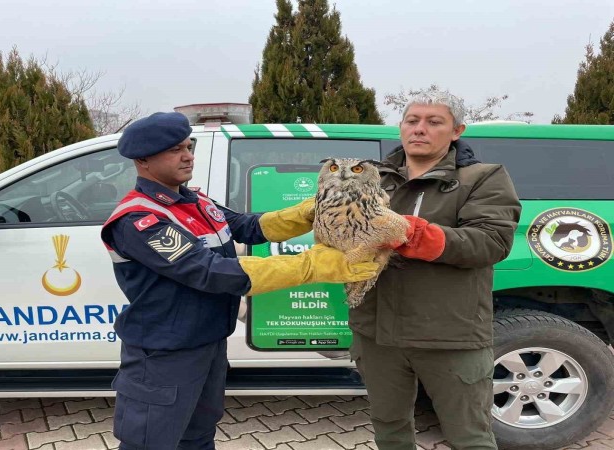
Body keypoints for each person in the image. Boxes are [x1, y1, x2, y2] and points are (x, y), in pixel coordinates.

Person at [100, 111, 380, 450]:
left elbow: (247, 226)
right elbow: (209, 272)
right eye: (175, 150)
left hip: (208, 343)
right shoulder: (140, 219)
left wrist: (310, 211)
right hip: (163, 354)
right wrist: (311, 266)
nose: (188, 155)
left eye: (189, 146)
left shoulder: (194, 201)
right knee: (150, 443)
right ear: (142, 159)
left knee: (198, 437)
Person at [349, 91, 522, 450]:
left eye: (434, 122)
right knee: (389, 428)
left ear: (457, 130)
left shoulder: (483, 177)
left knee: (469, 436)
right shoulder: (371, 178)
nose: (420, 129)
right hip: (377, 332)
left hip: (449, 334)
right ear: (401, 128)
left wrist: (413, 234)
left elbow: (490, 241)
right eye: (412, 121)